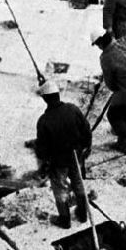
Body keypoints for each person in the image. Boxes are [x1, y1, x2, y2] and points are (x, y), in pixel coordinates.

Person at [34, 79, 92, 229]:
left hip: (58, 162)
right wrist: (86, 146)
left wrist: (44, 164)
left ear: (45, 99)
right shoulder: (72, 109)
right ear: (58, 95)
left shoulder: (44, 121)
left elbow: (42, 149)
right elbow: (86, 129)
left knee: (60, 189)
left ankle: (65, 220)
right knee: (78, 183)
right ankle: (83, 213)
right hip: (75, 156)